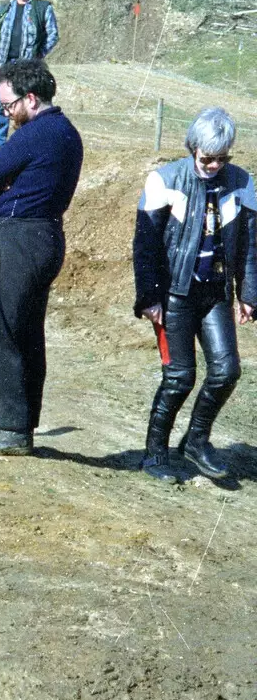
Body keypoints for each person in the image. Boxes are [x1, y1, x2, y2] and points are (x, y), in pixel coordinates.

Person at [132, 107, 257, 481]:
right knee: (180, 376)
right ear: (192, 148)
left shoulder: (243, 182)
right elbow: (146, 246)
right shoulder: (164, 180)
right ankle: (154, 455)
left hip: (214, 293)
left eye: (222, 158)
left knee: (227, 371)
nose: (215, 165)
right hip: (174, 295)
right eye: (207, 158)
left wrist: (248, 294)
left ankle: (196, 441)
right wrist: (149, 296)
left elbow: (251, 245)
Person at [0, 58, 84, 455]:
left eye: (9, 105)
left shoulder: (33, 135)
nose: (7, 113)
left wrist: (8, 179)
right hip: (48, 235)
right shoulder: (69, 133)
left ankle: (13, 428)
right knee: (28, 334)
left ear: (30, 99)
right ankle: (21, 421)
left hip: (17, 237)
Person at [0, 0, 59, 148]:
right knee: (1, 104)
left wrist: (38, 56)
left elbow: (53, 34)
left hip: (27, 66)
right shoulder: (5, 7)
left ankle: (25, 142)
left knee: (27, 104)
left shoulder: (42, 8)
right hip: (5, 63)